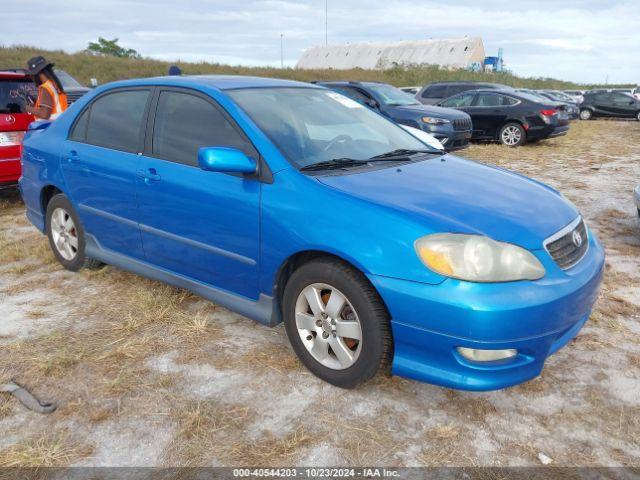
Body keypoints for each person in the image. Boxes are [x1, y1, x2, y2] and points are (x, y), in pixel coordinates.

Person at [24, 56, 68, 120]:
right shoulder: (54, 85)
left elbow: (44, 115)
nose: (31, 78)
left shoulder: (45, 88)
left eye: (32, 75)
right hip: (61, 124)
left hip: (51, 127)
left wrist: (26, 107)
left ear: (37, 74)